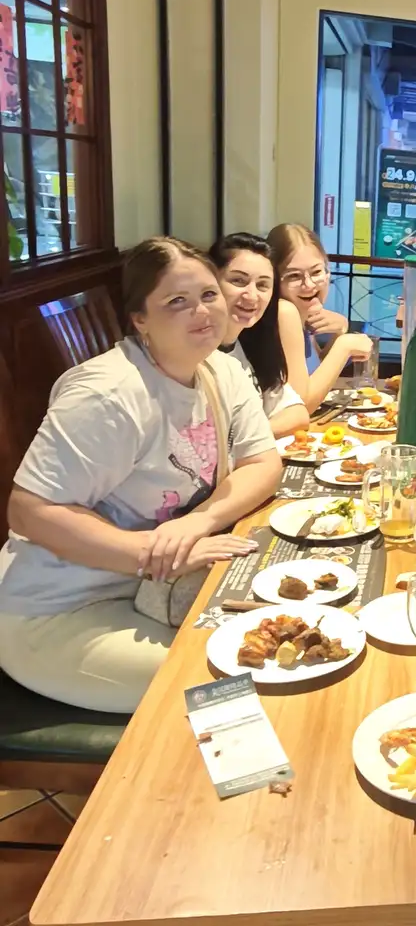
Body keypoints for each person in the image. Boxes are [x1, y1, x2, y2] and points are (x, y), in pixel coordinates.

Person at [0, 238, 281, 714]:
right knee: (237, 690)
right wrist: (155, 555)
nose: (203, 312)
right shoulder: (109, 395)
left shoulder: (219, 369)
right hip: (61, 612)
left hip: (152, 591)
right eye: (177, 302)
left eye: (209, 295)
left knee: (288, 645)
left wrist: (198, 522)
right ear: (140, 320)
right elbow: (29, 512)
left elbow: (263, 464)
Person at [209, 232, 308, 438]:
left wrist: (252, 438)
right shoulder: (193, 357)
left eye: (263, 285)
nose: (251, 296)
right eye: (238, 281)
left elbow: (297, 414)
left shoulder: (249, 346)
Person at [267, 223, 373, 414]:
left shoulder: (302, 314)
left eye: (316, 272)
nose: (309, 284)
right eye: (293, 276)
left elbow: (313, 376)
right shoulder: (284, 312)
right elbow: (300, 406)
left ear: (327, 271)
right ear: (274, 280)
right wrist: (344, 346)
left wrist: (339, 332)